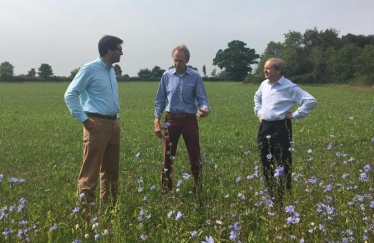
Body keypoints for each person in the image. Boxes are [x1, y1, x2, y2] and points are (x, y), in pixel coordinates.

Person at [64, 35, 123, 206]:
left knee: (111, 174)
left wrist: (115, 121)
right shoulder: (89, 69)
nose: (122, 53)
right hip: (96, 125)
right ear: (109, 51)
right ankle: (84, 215)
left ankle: (109, 211)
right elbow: (70, 95)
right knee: (90, 172)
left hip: (113, 124)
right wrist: (84, 120)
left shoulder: (111, 70)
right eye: (119, 49)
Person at [254, 57, 317, 204]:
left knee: (283, 162)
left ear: (278, 70)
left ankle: (284, 196)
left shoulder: (290, 87)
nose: (265, 70)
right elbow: (257, 98)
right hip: (265, 127)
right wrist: (258, 112)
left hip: (281, 127)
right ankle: (271, 196)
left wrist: (294, 115)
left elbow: (311, 101)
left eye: (268, 68)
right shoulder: (264, 84)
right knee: (265, 162)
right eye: (265, 67)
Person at [154, 44, 210, 193]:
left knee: (195, 155)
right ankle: (166, 191)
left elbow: (202, 98)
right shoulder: (166, 76)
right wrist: (156, 121)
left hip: (189, 120)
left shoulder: (195, 76)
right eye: (175, 60)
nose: (177, 63)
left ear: (187, 60)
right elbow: (160, 100)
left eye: (181, 60)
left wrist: (205, 109)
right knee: (167, 156)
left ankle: (198, 188)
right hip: (170, 120)